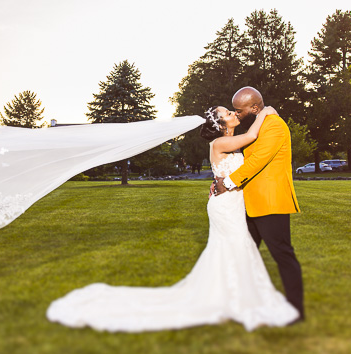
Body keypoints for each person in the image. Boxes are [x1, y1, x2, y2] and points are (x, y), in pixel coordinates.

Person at [46, 105, 299, 332]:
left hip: (232, 203)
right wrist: (266, 112)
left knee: (236, 248)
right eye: (228, 113)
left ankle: (236, 296)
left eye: (232, 111)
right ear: (221, 125)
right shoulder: (220, 144)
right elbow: (253, 136)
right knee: (233, 247)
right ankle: (233, 299)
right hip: (226, 206)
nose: (234, 114)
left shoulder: (230, 142)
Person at [214, 86, 304, 321]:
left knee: (283, 255)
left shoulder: (274, 125)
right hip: (249, 203)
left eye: (239, 110)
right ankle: (241, 305)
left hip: (270, 203)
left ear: (255, 108)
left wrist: (229, 182)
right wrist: (220, 180)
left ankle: (296, 311)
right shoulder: (259, 125)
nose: (237, 114)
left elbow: (259, 160)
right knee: (243, 255)